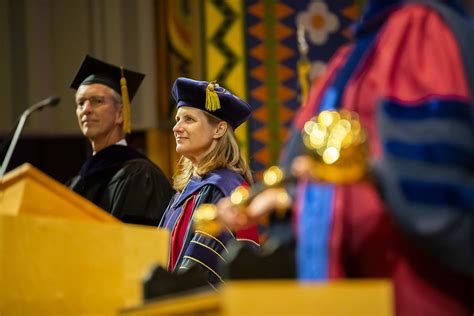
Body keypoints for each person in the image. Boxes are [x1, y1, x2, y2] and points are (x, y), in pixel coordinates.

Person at [218, 1, 474, 315]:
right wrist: (282, 195)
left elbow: (433, 178)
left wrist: (353, 175)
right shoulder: (353, 56)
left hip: (408, 282)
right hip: (348, 282)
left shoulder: (421, 28)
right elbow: (309, 166)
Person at [158, 77, 259, 287]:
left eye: (189, 119)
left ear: (219, 130)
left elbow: (205, 274)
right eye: (177, 119)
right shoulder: (183, 193)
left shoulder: (227, 190)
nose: (177, 127)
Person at [67, 55, 174, 226]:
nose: (86, 110)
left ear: (120, 114)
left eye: (97, 101)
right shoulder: (76, 183)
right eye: (80, 103)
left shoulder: (141, 176)